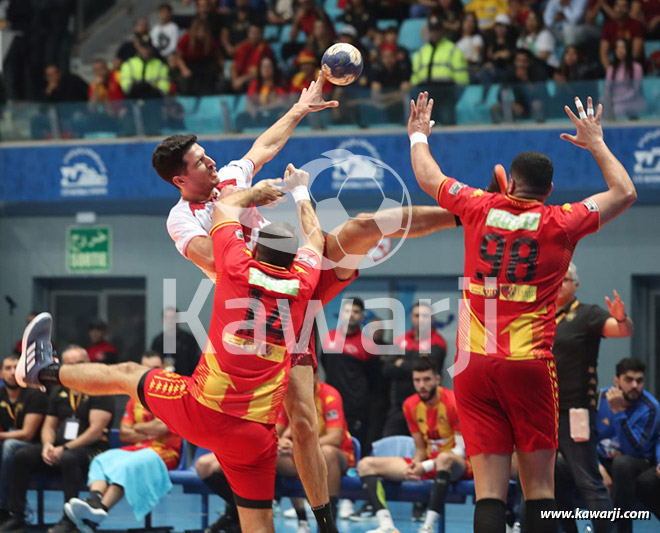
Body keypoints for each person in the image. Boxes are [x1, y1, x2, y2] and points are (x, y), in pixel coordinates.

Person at [154, 76, 459, 532]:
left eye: (207, 153)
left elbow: (263, 146)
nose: (211, 161)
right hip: (256, 317)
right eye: (200, 161)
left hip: (294, 285)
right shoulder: (182, 219)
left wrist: (301, 107)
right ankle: (311, 517)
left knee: (362, 227)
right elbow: (218, 262)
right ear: (181, 179)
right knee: (301, 418)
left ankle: (465, 214)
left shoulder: (230, 178)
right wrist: (248, 208)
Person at [15, 164, 326, 533]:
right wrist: (303, 193)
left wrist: (262, 193)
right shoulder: (304, 284)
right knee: (258, 521)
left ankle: (41, 371)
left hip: (202, 410)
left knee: (127, 374)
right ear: (295, 261)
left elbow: (227, 207)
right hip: (254, 434)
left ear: (255, 248)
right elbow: (316, 239)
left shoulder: (235, 267)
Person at [407, 90, 637, 533]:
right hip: (527, 365)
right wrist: (595, 143)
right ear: (549, 190)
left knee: (489, 490)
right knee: (540, 489)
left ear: (508, 183)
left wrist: (418, 134)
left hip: (473, 366)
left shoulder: (478, 205)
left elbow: (427, 174)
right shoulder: (562, 221)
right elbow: (624, 192)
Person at [552, 262, 633, 533]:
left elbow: (623, 330)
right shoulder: (540, 316)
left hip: (575, 412)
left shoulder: (588, 314)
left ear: (576, 285)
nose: (560, 283)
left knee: (588, 481)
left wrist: (621, 318)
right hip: (542, 411)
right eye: (556, 278)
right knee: (542, 481)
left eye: (566, 279)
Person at [63, 352, 182, 532]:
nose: (152, 373)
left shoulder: (174, 395)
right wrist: (150, 430)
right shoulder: (134, 398)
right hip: (136, 449)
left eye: (156, 368)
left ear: (163, 369)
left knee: (128, 465)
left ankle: (100, 512)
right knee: (102, 460)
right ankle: (94, 502)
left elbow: (163, 428)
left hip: (165, 452)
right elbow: (125, 435)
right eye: (147, 369)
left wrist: (139, 429)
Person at [1, 346, 114, 533]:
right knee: (23, 455)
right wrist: (47, 446)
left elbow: (95, 431)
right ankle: (17, 515)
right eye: (69, 364)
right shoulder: (59, 391)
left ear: (88, 363)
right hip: (62, 449)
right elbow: (49, 426)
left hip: (94, 451)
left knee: (69, 458)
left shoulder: (100, 389)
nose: (74, 368)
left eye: (79, 363)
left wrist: (65, 449)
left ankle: (69, 519)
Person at [357, 357, 469, 533]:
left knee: (445, 459)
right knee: (365, 464)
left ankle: (428, 526)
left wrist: (424, 466)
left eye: (427, 379)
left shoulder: (453, 403)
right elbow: (419, 449)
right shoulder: (410, 405)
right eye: (417, 380)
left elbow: (460, 451)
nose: (422, 385)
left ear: (437, 379)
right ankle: (386, 525)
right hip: (427, 464)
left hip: (457, 465)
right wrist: (415, 465)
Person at [276, 372, 355, 530]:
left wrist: (300, 445)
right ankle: (237, 517)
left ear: (316, 377)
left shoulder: (330, 395)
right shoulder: (288, 394)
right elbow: (276, 431)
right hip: (300, 456)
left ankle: (327, 525)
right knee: (262, 453)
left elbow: (335, 438)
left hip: (339, 456)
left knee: (327, 453)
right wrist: (280, 442)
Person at [596, 358, 659, 533]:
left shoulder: (650, 407)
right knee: (561, 466)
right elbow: (587, 439)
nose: (634, 385)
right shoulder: (600, 398)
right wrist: (597, 466)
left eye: (639, 381)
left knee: (622, 463)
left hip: (636, 461)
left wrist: (618, 413)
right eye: (628, 380)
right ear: (617, 381)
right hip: (604, 460)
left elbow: (634, 449)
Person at [322, 298, 379, 450]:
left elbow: (374, 377)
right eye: (348, 311)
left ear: (362, 316)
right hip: (330, 401)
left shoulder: (369, 344)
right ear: (341, 314)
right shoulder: (329, 338)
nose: (351, 315)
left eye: (356, 312)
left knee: (354, 445)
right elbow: (324, 364)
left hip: (356, 405)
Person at [383, 302, 447, 437]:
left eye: (425, 315)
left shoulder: (437, 342)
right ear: (411, 318)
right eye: (417, 315)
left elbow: (427, 368)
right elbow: (387, 369)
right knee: (390, 446)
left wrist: (401, 363)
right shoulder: (401, 340)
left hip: (426, 405)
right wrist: (412, 363)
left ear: (432, 318)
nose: (421, 319)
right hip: (398, 406)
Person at [0, 355, 48, 523]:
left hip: (34, 448)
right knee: (7, 446)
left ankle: (3, 507)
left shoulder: (34, 394)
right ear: (1, 373)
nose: (12, 372)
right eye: (8, 368)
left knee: (10, 445)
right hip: (6, 445)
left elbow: (27, 433)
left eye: (16, 368)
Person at [410, 15, 469, 126]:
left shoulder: (453, 49)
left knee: (448, 125)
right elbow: (414, 78)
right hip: (426, 94)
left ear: (442, 31)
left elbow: (462, 79)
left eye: (437, 29)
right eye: (432, 30)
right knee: (425, 127)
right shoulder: (422, 51)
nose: (434, 33)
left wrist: (454, 96)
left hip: (446, 94)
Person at [603, 38, 646, 120]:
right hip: (615, 101)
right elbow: (607, 89)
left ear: (627, 49)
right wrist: (605, 100)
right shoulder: (611, 69)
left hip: (632, 101)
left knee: (618, 109)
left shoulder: (636, 67)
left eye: (622, 47)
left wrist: (617, 100)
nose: (620, 50)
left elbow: (636, 90)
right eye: (617, 48)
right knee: (599, 109)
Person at [150, 307, 201, 376]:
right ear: (163, 320)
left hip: (186, 379)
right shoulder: (158, 341)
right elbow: (153, 364)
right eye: (167, 318)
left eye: (173, 317)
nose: (170, 321)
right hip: (163, 380)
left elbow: (196, 363)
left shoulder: (189, 340)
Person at [599, 0, 645, 69]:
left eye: (623, 6)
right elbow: (603, 54)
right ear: (614, 7)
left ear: (628, 8)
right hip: (615, 66)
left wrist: (625, 70)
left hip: (633, 67)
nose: (620, 9)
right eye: (618, 6)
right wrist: (611, 71)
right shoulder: (608, 26)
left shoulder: (636, 25)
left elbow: (636, 53)